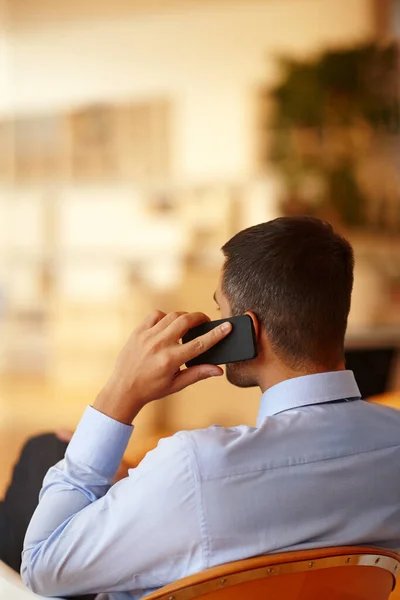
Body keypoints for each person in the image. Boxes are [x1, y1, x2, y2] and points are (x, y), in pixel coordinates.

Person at [21, 217, 400, 600]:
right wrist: (143, 484)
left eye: (220, 309)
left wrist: (120, 394)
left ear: (244, 329)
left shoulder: (197, 467)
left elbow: (41, 564)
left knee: (42, 453)